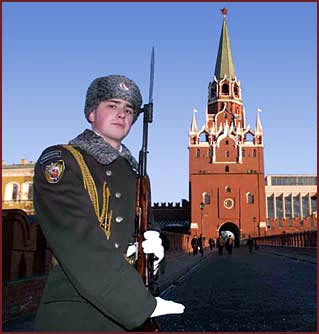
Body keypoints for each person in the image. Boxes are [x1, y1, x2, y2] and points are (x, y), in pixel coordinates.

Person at [33, 75, 184, 331]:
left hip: (130, 318)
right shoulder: (61, 161)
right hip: (76, 314)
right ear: (92, 112)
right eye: (112, 106)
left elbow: (145, 231)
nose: (122, 115)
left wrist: (156, 259)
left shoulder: (135, 176)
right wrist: (139, 305)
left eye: (129, 110)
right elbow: (78, 239)